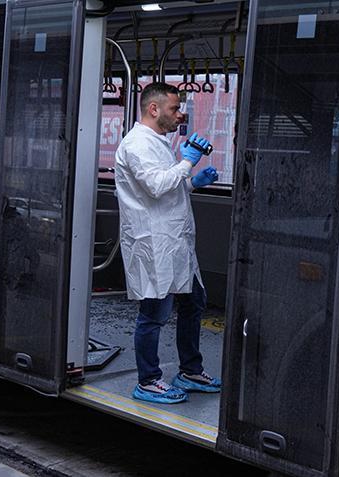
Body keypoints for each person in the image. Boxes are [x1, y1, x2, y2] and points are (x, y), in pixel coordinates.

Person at [114, 82, 222, 404]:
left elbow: (167, 188)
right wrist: (188, 162)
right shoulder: (135, 145)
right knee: (154, 314)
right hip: (153, 244)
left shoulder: (157, 141)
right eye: (175, 108)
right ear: (154, 109)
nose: (180, 114)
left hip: (175, 243)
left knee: (194, 303)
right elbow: (157, 186)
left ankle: (189, 370)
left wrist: (192, 183)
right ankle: (148, 380)